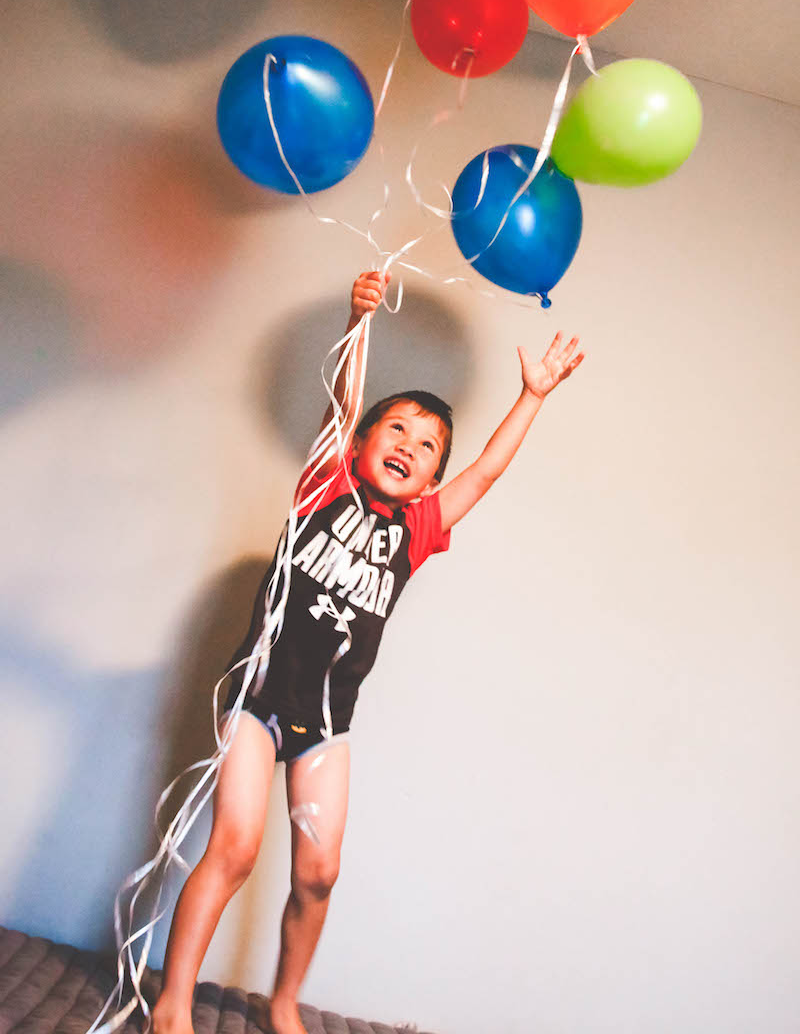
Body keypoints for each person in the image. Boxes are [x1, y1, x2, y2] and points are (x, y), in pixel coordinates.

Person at [151, 271, 583, 1034]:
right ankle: (175, 1002)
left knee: (318, 874)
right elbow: (343, 403)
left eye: (426, 447)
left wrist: (534, 396)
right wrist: (359, 323)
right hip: (255, 701)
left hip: (325, 724)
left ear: (429, 482)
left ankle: (283, 1002)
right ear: (360, 444)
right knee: (236, 848)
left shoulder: (418, 532)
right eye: (396, 431)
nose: (409, 448)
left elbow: (484, 469)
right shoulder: (323, 485)